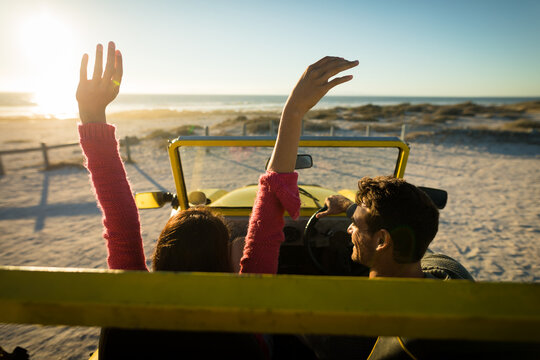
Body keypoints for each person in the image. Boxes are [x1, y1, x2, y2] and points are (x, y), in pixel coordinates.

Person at [76, 41, 358, 359]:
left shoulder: (131, 305)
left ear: (161, 256)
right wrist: (293, 110)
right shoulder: (244, 305)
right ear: (224, 261)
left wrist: (91, 114)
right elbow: (272, 201)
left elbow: (118, 213)